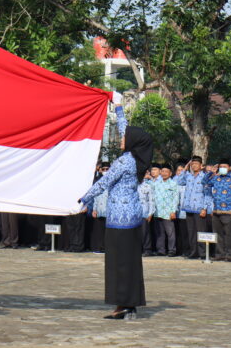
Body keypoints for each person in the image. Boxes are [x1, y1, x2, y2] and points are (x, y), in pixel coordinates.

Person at [80, 99, 151, 320]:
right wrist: (118, 108)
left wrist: (83, 198)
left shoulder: (124, 162)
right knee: (129, 263)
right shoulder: (138, 159)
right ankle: (128, 304)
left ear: (131, 142)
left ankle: (125, 305)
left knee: (118, 264)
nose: (122, 138)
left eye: (124, 138)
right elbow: (126, 129)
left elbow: (104, 182)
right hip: (132, 217)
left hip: (119, 220)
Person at [203, 159, 231, 261]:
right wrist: (211, 172)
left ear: (229, 168)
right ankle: (219, 254)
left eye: (225, 167)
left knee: (229, 234)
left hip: (229, 211)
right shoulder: (216, 178)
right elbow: (204, 182)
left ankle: (230, 255)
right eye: (221, 167)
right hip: (216, 210)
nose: (223, 169)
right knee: (217, 234)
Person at [174, 156, 209, 259]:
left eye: (196, 164)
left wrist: (205, 208)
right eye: (192, 164)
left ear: (201, 165)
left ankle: (202, 253)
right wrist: (185, 169)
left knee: (200, 231)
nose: (194, 166)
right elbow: (179, 181)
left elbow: (207, 194)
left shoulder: (204, 177)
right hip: (188, 208)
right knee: (191, 232)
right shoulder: (188, 176)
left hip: (199, 208)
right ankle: (193, 252)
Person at [152, 164, 178, 256]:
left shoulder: (173, 184)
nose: (164, 173)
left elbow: (175, 199)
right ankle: (161, 250)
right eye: (162, 171)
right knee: (159, 233)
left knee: (170, 233)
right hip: (157, 211)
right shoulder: (156, 183)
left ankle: (172, 250)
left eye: (166, 172)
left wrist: (173, 211)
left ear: (170, 173)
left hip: (168, 212)